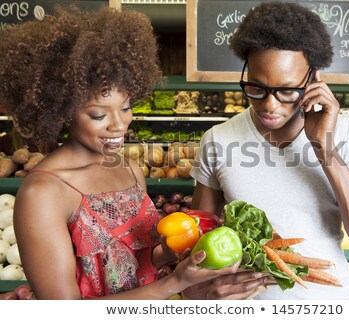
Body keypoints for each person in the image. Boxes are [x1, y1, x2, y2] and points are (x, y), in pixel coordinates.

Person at [0, 6, 268, 299]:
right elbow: (63, 312)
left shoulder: (129, 169)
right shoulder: (42, 192)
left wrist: (166, 256)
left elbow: (131, 268)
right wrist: (175, 283)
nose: (120, 124)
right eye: (99, 115)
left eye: (126, 108)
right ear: (61, 112)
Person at [190, 2, 349, 299]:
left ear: (314, 78)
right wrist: (204, 290)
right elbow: (193, 250)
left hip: (329, 308)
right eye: (256, 88)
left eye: (287, 90)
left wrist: (323, 146)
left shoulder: (347, 133)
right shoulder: (218, 140)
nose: (269, 105)